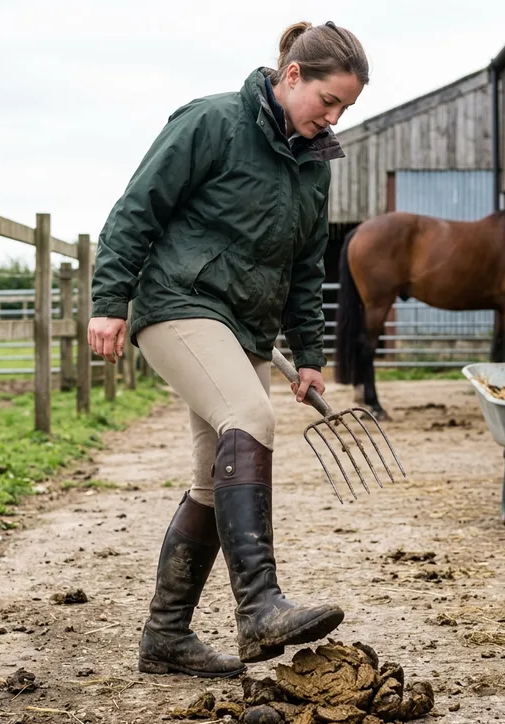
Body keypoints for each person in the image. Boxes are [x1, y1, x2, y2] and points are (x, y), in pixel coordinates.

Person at [89, 21, 368, 678]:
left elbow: (306, 267)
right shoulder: (212, 122)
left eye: (345, 110)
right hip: (179, 304)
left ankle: (166, 636)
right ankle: (260, 605)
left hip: (242, 329)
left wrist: (308, 354)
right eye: (327, 102)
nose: (332, 118)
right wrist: (109, 300)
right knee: (252, 418)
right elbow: (137, 209)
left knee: (213, 482)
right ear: (292, 76)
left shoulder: (313, 167)